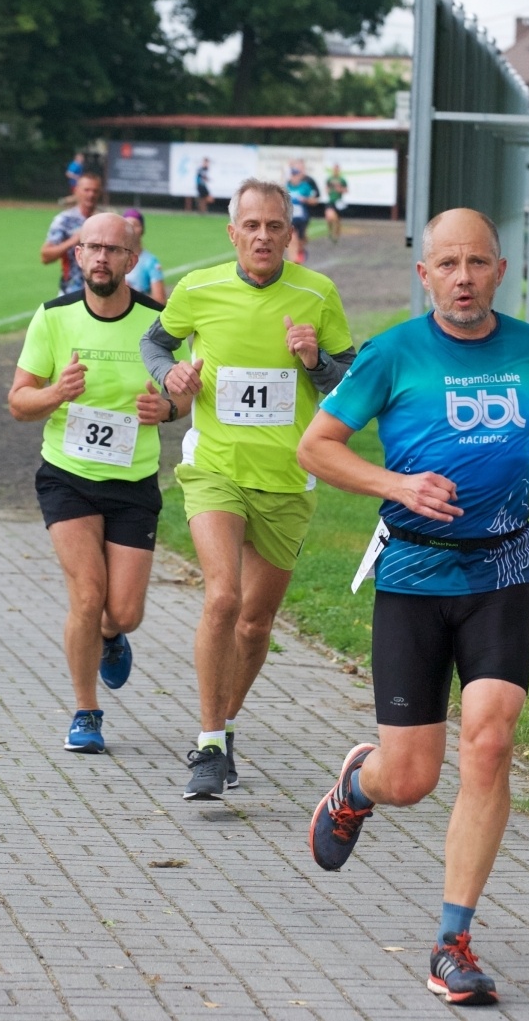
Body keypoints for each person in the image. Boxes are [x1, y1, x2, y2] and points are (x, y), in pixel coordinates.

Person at [297, 208, 529, 1006]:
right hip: (413, 576)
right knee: (412, 776)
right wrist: (397, 484)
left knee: (489, 741)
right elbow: (317, 446)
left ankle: (453, 941)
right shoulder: (391, 353)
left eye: (477, 262)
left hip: (502, 570)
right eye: (447, 264)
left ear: (500, 270)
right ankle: (359, 786)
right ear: (425, 275)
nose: (463, 278)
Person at [139, 177, 356, 800]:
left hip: (287, 477)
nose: (263, 236)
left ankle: (226, 725)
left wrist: (315, 361)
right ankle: (208, 746)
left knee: (256, 625)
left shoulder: (317, 293)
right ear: (232, 232)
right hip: (216, 469)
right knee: (223, 598)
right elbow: (155, 341)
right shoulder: (198, 288)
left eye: (274, 226)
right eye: (252, 226)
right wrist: (169, 374)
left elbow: (351, 382)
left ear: (289, 234)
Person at [9, 212, 182, 754]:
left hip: (133, 481)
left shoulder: (160, 322)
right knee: (87, 595)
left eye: (113, 249)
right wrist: (56, 393)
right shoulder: (54, 317)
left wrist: (168, 408)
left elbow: (186, 392)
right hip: (69, 476)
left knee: (123, 612)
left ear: (132, 260)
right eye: (92, 248)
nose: (101, 257)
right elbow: (19, 401)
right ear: (78, 255)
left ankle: (112, 636)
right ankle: (86, 711)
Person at [41, 170, 103, 295]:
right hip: (71, 291)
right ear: (76, 191)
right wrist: (73, 241)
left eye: (95, 191)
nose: (91, 194)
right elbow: (45, 256)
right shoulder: (65, 220)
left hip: (100, 292)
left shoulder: (104, 220)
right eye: (87, 190)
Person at [122, 209, 168, 303]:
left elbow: (160, 300)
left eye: (135, 225)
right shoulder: (113, 258)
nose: (131, 229)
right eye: (127, 225)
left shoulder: (150, 262)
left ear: (142, 229)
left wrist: (132, 292)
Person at [285, 163, 321, 265]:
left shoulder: (305, 187)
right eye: (293, 175)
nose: (294, 178)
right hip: (290, 218)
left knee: (301, 240)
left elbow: (315, 201)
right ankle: (292, 261)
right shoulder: (286, 187)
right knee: (292, 237)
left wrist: (305, 200)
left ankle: (300, 251)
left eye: (296, 175)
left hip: (303, 218)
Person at [324, 163, 348, 243]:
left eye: (337, 169)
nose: (335, 171)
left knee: (338, 220)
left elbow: (346, 190)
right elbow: (326, 189)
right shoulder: (329, 179)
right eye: (334, 169)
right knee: (329, 218)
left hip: (339, 202)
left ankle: (336, 235)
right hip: (331, 201)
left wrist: (340, 189)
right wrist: (329, 190)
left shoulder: (342, 180)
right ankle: (330, 231)